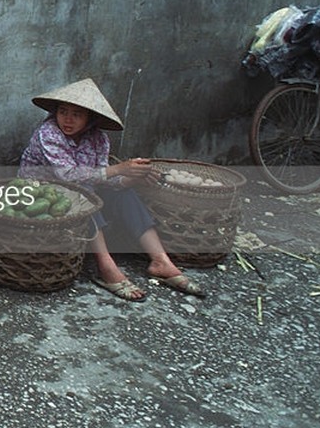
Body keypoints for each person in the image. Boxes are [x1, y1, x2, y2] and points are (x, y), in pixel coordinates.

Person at [18, 78, 206, 301]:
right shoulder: (48, 134)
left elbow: (103, 178)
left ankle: (160, 261)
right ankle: (106, 267)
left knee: (123, 193)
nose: (67, 119)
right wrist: (118, 169)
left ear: (90, 119)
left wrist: (131, 178)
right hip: (41, 193)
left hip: (81, 188)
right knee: (83, 193)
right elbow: (67, 175)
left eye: (77, 114)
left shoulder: (98, 139)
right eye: (63, 111)